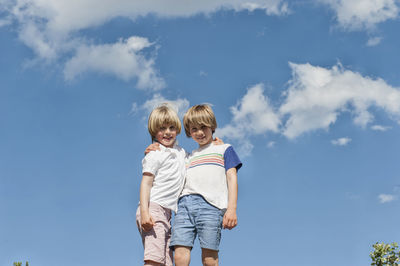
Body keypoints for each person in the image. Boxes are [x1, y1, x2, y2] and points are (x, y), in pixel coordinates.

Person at [171, 104, 242, 266]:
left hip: (211, 206)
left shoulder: (224, 149)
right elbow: (167, 154)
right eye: (194, 129)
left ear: (212, 126)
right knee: (179, 254)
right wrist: (154, 147)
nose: (200, 132)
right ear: (189, 132)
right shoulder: (188, 156)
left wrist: (232, 209)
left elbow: (232, 178)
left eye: (203, 127)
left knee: (209, 257)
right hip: (184, 206)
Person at [136, 104, 186, 266]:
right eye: (162, 128)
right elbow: (146, 183)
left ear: (177, 129)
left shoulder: (181, 152)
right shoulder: (155, 154)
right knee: (154, 259)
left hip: (168, 213)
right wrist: (145, 211)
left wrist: (214, 143)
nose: (167, 132)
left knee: (166, 263)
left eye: (171, 127)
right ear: (153, 132)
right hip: (153, 209)